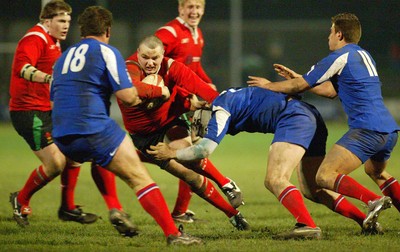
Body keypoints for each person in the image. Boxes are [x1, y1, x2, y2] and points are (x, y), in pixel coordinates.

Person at [20, 6, 203, 245]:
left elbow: (54, 99)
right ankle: (174, 235)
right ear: (108, 30)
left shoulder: (63, 57)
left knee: (101, 160)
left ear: (81, 30)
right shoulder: (107, 52)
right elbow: (127, 96)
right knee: (140, 177)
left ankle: (113, 207)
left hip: (62, 135)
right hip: (93, 128)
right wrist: (158, 91)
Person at [247, 12, 399, 232]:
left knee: (324, 175)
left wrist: (268, 86)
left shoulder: (340, 56)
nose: (328, 36)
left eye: (330, 32)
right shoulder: (364, 56)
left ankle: (372, 200)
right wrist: (297, 77)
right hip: (389, 130)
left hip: (367, 130)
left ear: (339, 33)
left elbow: (300, 87)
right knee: (377, 172)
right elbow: (330, 91)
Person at [148, 86, 326, 239]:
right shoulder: (227, 98)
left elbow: (203, 150)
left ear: (205, 105)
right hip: (303, 112)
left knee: (275, 180)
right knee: (319, 186)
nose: (198, 125)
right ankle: (354, 219)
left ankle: (307, 224)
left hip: (293, 117)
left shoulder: (220, 108)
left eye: (197, 119)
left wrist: (171, 152)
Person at [111, 35, 248, 230]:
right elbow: (135, 88)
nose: (150, 63)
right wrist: (162, 93)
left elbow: (202, 88)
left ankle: (226, 184)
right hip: (144, 136)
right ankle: (232, 213)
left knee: (187, 154)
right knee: (189, 176)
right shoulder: (129, 68)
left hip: (170, 121)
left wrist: (226, 111)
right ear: (138, 55)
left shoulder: (171, 66)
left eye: (155, 58)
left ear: (163, 55)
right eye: (145, 57)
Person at [8, 0, 97, 226]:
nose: (66, 25)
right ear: (47, 21)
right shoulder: (35, 38)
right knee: (55, 164)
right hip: (28, 112)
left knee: (76, 153)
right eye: (61, 20)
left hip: (46, 110)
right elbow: (23, 69)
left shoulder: (54, 41)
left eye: (68, 21)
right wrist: (50, 78)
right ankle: (20, 199)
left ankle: (67, 208)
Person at [154, 0, 215, 221]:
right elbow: (148, 59)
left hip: (182, 104)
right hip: (166, 105)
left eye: (198, 7)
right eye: (190, 6)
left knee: (191, 153)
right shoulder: (168, 33)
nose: (194, 11)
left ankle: (180, 211)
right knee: (190, 153)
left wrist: (209, 85)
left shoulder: (197, 34)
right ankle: (117, 157)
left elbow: (194, 68)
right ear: (180, 9)